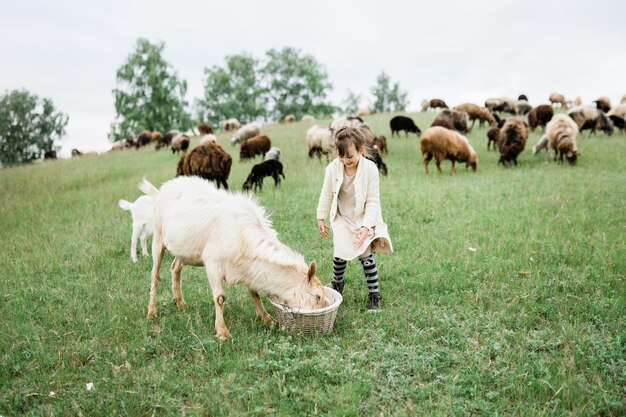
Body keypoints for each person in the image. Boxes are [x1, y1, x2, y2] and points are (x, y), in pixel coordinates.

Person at [316, 126, 393, 311]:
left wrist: (366, 227)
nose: (345, 161)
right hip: (341, 216)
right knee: (340, 252)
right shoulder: (333, 168)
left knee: (365, 254)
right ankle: (337, 284)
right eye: (341, 157)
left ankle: (374, 295)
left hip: (363, 217)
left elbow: (373, 201)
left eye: (350, 157)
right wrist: (320, 217)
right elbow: (326, 194)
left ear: (360, 150)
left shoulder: (370, 168)